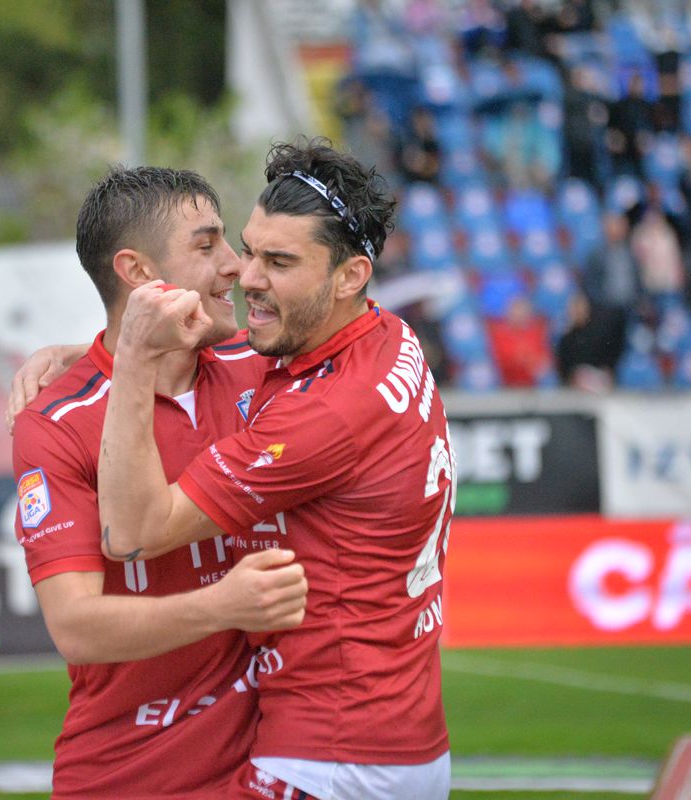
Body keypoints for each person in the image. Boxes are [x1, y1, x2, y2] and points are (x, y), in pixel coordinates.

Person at [97, 139, 455, 799]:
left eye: (279, 261)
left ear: (350, 276)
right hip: (392, 736)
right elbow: (248, 343)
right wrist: (79, 356)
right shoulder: (385, 335)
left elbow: (133, 531)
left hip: (335, 758)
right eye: (249, 248)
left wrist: (127, 361)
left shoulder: (325, 417)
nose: (248, 275)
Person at [10, 166, 308, 799]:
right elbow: (76, 628)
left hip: (271, 764)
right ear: (138, 273)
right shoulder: (54, 422)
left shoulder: (262, 366)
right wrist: (221, 606)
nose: (236, 266)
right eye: (207, 246)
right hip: (131, 774)